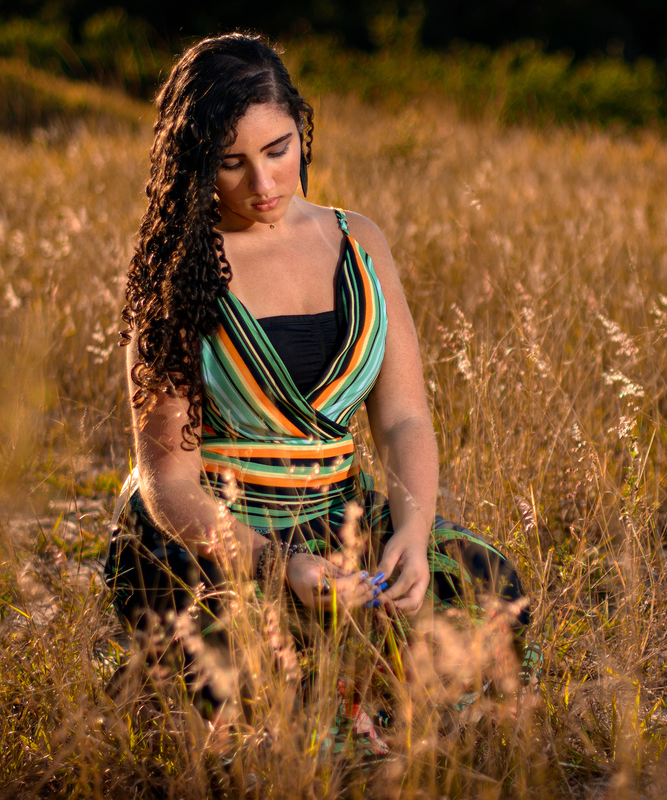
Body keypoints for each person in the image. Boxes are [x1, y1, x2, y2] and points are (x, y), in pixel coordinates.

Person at [103, 33, 529, 716]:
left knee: (490, 590)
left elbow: (403, 419)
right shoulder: (176, 268)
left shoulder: (359, 242)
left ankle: (364, 691)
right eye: (232, 163)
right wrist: (278, 567)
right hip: (216, 534)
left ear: (301, 129)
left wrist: (411, 537)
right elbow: (167, 486)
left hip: (335, 517)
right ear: (195, 162)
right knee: (252, 674)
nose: (264, 184)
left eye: (278, 151)